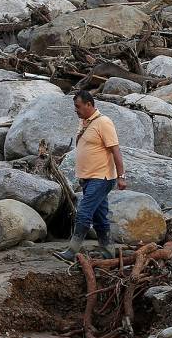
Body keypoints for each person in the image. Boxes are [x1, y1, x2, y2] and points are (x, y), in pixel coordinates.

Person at [54, 90, 127, 262]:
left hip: (101, 178)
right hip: (89, 178)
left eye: (78, 106)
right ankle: (109, 253)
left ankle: (71, 251)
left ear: (89, 104)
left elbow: (116, 151)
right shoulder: (85, 122)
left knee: (84, 212)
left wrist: (121, 176)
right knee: (100, 217)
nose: (76, 110)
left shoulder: (104, 122)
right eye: (75, 107)